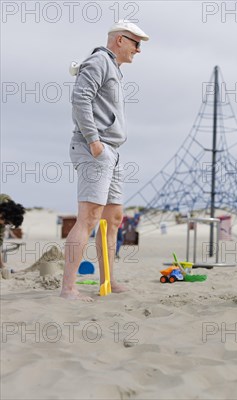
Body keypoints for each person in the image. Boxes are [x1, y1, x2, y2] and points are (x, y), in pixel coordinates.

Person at [60, 20, 150, 301]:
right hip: (95, 149)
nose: (138, 50)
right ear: (120, 40)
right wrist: (94, 141)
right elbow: (80, 100)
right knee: (88, 217)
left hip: (111, 150)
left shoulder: (114, 69)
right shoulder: (99, 61)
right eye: (136, 43)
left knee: (114, 218)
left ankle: (108, 281)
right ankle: (68, 289)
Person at [0, 194, 26, 276]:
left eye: (7, 223)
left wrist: (2, 266)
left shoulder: (1, 225)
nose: (3, 223)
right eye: (3, 219)